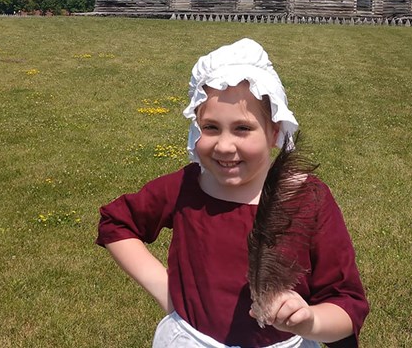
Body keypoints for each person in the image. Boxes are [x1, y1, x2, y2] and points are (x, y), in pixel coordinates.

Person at [97, 38, 369, 348]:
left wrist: (311, 320)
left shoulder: (306, 200)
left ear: (274, 131)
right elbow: (116, 222)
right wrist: (166, 289)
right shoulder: (186, 187)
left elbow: (346, 303)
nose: (225, 146)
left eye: (242, 128)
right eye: (211, 127)